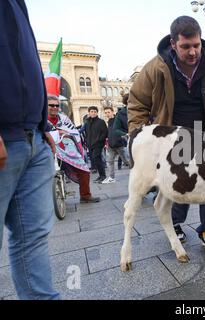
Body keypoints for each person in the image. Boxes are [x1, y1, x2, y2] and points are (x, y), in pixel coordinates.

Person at [128, 16, 205, 252]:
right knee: (176, 184)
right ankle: (174, 225)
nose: (193, 52)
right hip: (172, 139)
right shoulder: (156, 67)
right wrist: (138, 138)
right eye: (185, 47)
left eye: (197, 45)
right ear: (173, 44)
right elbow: (137, 103)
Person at [0, 0, 60, 299]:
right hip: (5, 137)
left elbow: (25, 63)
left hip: (32, 138)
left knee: (32, 238)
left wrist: (41, 123)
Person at [47, 95, 100, 203]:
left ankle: (85, 195)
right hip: (47, 150)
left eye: (57, 105)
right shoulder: (40, 119)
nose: (54, 107)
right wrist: (57, 132)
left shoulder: (64, 118)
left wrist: (64, 134)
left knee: (84, 169)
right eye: (51, 105)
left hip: (66, 149)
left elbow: (74, 132)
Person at [103, 106, 130, 184]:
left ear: (112, 112)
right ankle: (111, 177)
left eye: (108, 112)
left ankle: (138, 173)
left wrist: (124, 135)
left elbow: (123, 129)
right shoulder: (109, 121)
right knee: (110, 161)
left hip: (119, 144)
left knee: (127, 161)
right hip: (111, 145)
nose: (107, 114)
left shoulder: (117, 119)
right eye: (105, 113)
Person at [84, 106, 108, 183]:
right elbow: (86, 133)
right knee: (95, 160)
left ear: (97, 113)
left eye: (95, 111)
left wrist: (99, 140)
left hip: (98, 144)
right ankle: (101, 175)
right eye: (92, 111)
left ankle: (103, 175)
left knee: (97, 158)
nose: (93, 113)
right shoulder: (87, 122)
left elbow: (105, 132)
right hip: (90, 144)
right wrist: (87, 142)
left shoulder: (101, 121)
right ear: (89, 113)